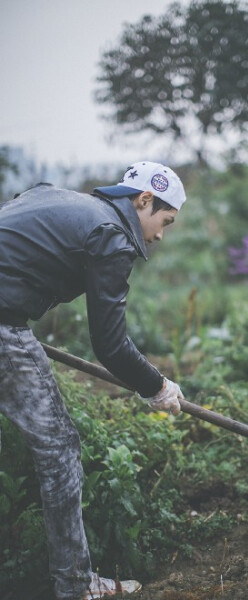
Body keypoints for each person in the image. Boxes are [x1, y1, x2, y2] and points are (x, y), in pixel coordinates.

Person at [0, 161, 186, 599]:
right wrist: (157, 386)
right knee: (61, 447)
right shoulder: (112, 236)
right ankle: (77, 587)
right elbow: (110, 345)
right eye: (165, 220)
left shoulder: (51, 193)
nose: (160, 234)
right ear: (144, 201)